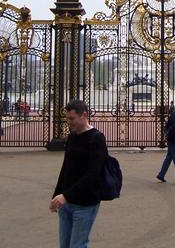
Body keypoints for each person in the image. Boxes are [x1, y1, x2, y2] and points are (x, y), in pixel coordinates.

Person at [50, 100, 108, 247]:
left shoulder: (97, 138)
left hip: (85, 203)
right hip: (66, 202)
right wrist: (57, 195)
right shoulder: (72, 137)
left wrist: (65, 195)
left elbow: (93, 174)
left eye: (72, 118)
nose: (69, 122)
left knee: (77, 245)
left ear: (84, 115)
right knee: (64, 245)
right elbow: (66, 168)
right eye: (67, 118)